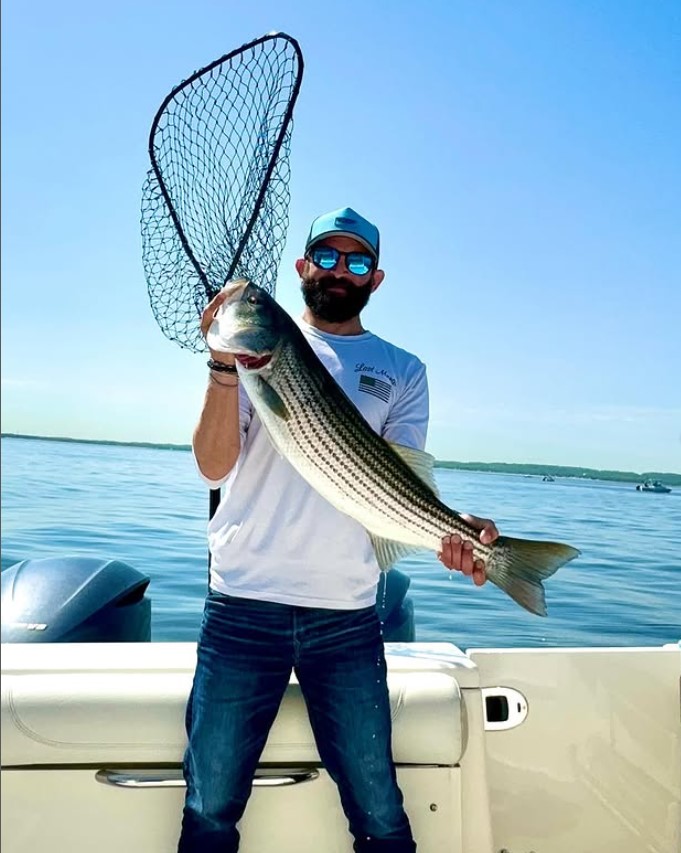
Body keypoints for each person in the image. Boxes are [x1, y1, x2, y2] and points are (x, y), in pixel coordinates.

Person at [179, 207, 499, 853]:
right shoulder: (249, 358)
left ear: (374, 279)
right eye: (326, 256)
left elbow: (395, 476)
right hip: (243, 603)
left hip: (347, 614)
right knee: (210, 804)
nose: (339, 270)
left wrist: (445, 525)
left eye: (355, 261)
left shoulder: (401, 368)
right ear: (303, 267)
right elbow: (213, 465)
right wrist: (220, 365)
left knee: (379, 809)